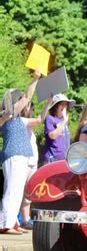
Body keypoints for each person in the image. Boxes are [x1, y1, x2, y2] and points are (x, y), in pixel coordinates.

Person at [0, 69, 41, 234]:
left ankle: (12, 222)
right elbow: (27, 97)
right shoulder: (6, 115)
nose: (22, 102)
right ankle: (5, 224)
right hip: (14, 156)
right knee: (12, 190)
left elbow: (27, 99)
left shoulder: (14, 117)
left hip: (20, 156)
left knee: (17, 191)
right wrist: (35, 78)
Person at [18, 97, 51, 229]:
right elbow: (39, 120)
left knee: (28, 192)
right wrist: (48, 104)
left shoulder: (27, 125)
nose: (32, 111)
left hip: (31, 161)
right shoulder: (21, 121)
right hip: (24, 161)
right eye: (31, 108)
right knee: (20, 190)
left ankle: (25, 219)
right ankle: (19, 219)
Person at [43, 94, 75, 164]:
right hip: (52, 158)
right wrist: (64, 122)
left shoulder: (64, 119)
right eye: (62, 104)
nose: (64, 107)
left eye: (66, 104)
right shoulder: (50, 119)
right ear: (55, 106)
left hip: (65, 159)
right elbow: (52, 135)